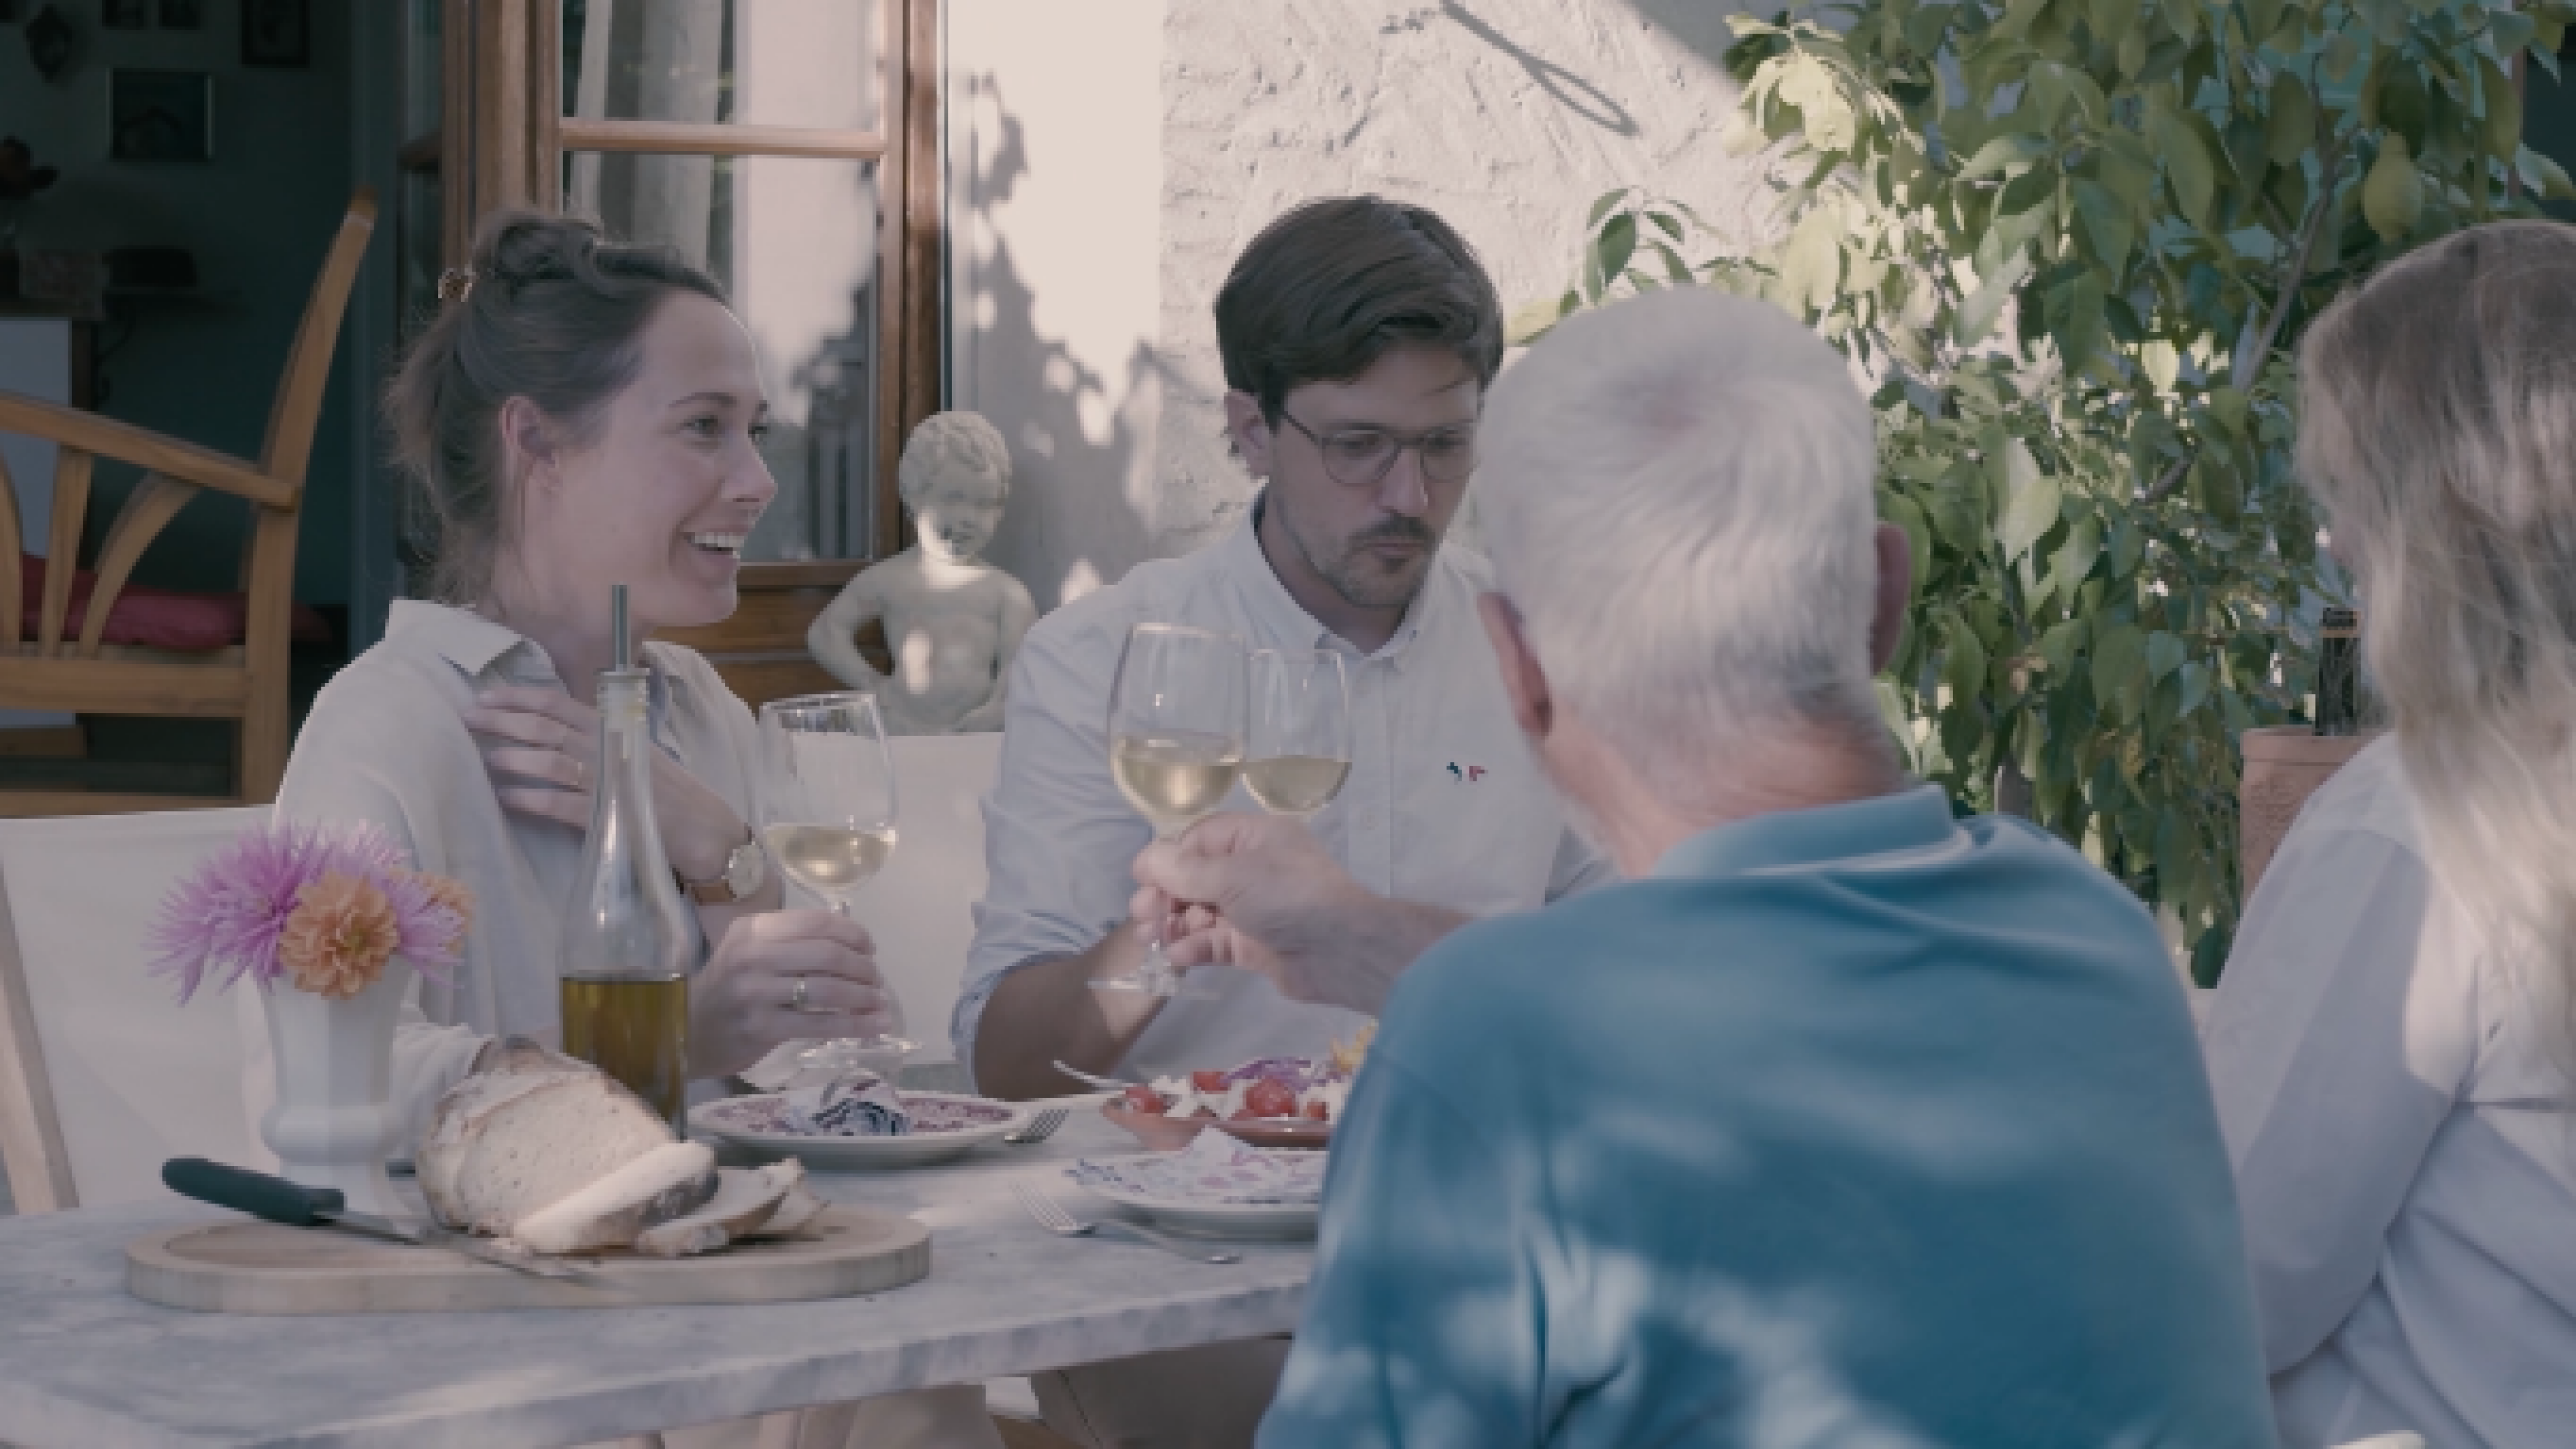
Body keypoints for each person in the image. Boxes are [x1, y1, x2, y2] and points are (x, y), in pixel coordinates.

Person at [1137, 288, 2276, 1447]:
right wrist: (1355, 936)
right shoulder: (2093, 936)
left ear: (1516, 670)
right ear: (1884, 598)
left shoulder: (1493, 1043)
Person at [270, 211, 998, 1449]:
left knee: (923, 1366)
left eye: (753, 432)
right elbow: (332, 1083)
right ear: (537, 445)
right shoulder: (387, 725)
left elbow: (845, 1069)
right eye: (703, 427)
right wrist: (671, 1037)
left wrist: (726, 854)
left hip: (728, 1303)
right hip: (498, 1356)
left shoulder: (700, 712)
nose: (758, 479)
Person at [957, 195, 1610, 1442]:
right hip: (1173, 1280)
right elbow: (1003, 1066)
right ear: (1248, 428)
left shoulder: (1541, 648)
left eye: (1446, 445)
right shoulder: (1102, 659)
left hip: (1486, 1257)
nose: (1409, 495)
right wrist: (1159, 934)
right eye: (1358, 445)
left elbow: (1628, 987)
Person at [2202, 221, 2576, 1448]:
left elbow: (2233, 1280)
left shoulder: (2414, 827)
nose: (2337, 541)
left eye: (2355, 492)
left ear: (2444, 516)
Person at [806, 410, 1037, 735]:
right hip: (901, 729)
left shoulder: (1007, 594)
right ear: (913, 498)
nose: (968, 519)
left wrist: (997, 710)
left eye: (983, 504)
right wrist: (876, 689)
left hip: (974, 738)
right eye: (953, 499)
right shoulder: (888, 580)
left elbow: (1019, 668)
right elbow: (826, 634)